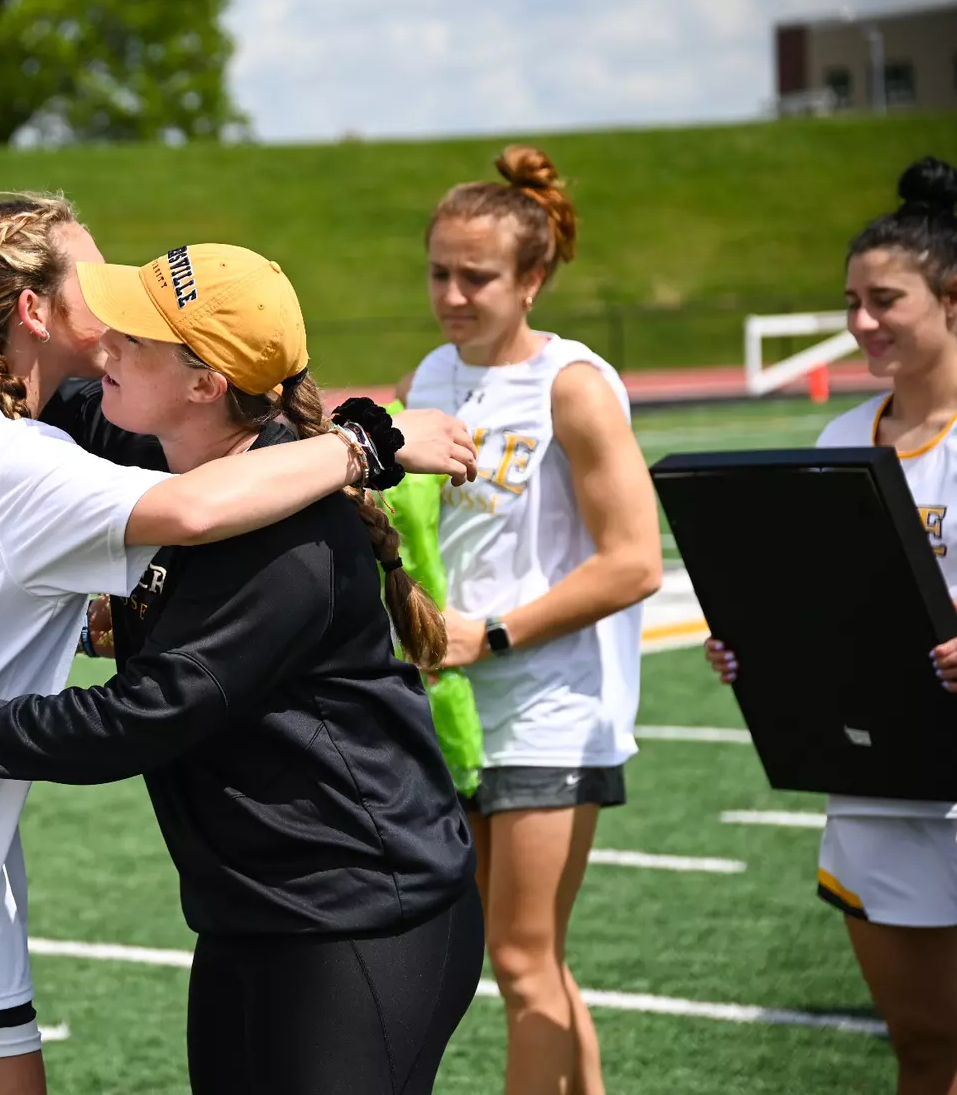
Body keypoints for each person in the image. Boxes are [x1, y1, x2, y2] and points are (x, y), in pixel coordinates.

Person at [0, 196, 461, 1095]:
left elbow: (141, 717)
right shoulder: (115, 431)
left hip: (360, 911)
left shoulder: (288, 539)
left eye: (138, 334)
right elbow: (7, 393)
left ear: (206, 382)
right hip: (245, 913)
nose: (113, 341)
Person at [402, 146, 664, 1095]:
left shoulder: (574, 385)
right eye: (439, 271)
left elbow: (635, 562)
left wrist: (492, 633)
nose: (453, 294)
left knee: (517, 960)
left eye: (477, 277)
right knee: (532, 959)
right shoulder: (430, 375)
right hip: (461, 712)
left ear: (533, 278)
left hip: (553, 704)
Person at [705, 157, 957, 1095]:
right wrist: (759, 648)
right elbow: (822, 607)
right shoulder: (840, 441)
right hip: (880, 786)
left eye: (884, 299)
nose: (860, 323)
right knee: (924, 1048)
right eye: (851, 300)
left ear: (951, 297)